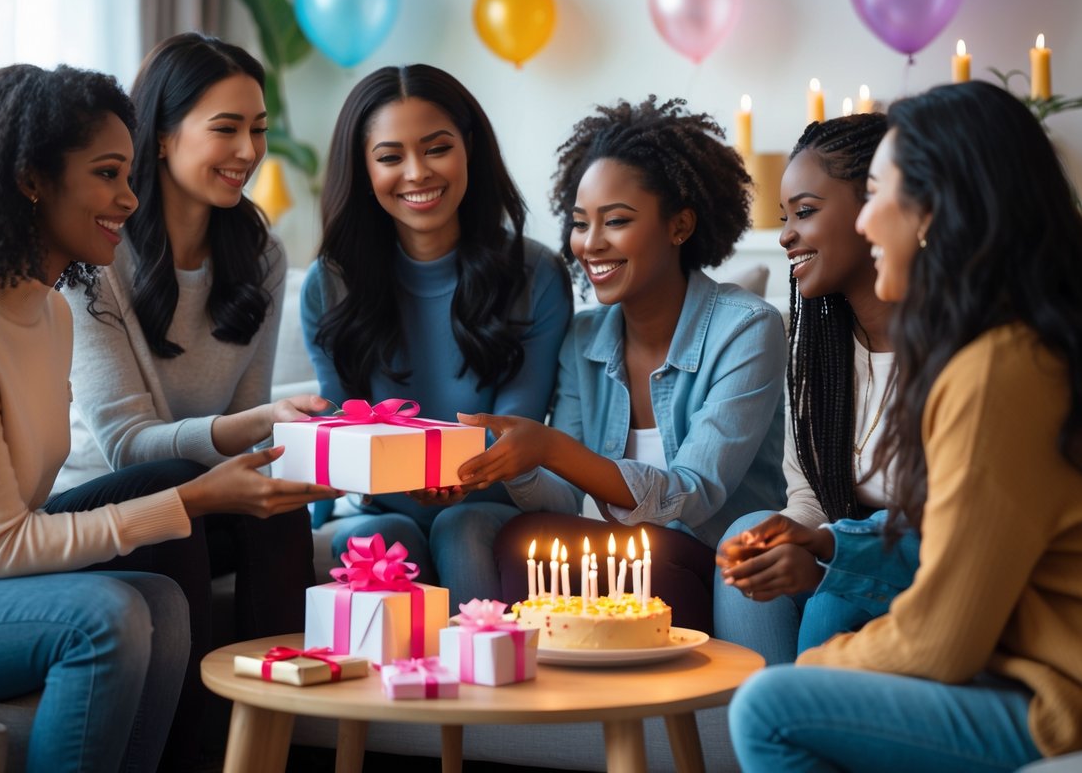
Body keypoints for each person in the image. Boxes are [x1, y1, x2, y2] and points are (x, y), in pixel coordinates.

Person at [0, 64, 336, 773]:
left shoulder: (50, 307)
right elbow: (1, 547)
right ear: (32, 180)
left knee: (162, 602)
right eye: (108, 175)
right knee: (107, 616)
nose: (128, 197)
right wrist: (192, 499)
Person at [729, 80, 1082, 771]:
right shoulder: (1014, 346)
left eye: (878, 194)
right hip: (1019, 667)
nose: (864, 223)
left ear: (931, 211)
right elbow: (938, 544)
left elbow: (940, 641)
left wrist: (815, 669)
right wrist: (830, 548)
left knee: (768, 707)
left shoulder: (996, 371)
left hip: (1052, 696)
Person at [54, 32, 332, 764]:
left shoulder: (260, 255)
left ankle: (275, 746)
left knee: (275, 508)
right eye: (226, 128)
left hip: (196, 496)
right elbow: (124, 443)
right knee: (183, 496)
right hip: (101, 502)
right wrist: (252, 426)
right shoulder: (96, 252)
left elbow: (250, 430)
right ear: (164, 133)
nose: (248, 149)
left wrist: (283, 441)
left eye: (258, 130)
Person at [462, 96, 787, 633]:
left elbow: (693, 493)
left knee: (609, 547)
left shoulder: (747, 327)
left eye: (616, 221)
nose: (591, 245)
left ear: (680, 225)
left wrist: (550, 447)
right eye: (580, 223)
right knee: (516, 536)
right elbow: (565, 498)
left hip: (712, 561)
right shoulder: (583, 337)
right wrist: (514, 463)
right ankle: (540, 702)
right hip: (630, 556)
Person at [301, 63, 572, 611]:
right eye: (390, 156)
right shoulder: (330, 285)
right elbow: (337, 428)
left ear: (469, 147)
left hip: (490, 502)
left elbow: (512, 431)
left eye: (436, 148)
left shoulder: (535, 275)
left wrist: (457, 475)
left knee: (462, 526)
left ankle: (483, 687)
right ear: (363, 168)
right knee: (381, 541)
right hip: (379, 506)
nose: (417, 172)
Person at [713, 113, 920, 665]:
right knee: (751, 533)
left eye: (805, 212)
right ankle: (758, 731)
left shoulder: (957, 351)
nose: (783, 235)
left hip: (926, 571)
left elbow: (949, 527)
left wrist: (831, 556)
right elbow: (807, 497)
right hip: (848, 551)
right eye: (784, 217)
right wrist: (789, 540)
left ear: (877, 205)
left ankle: (789, 721)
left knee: (831, 602)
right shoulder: (814, 350)